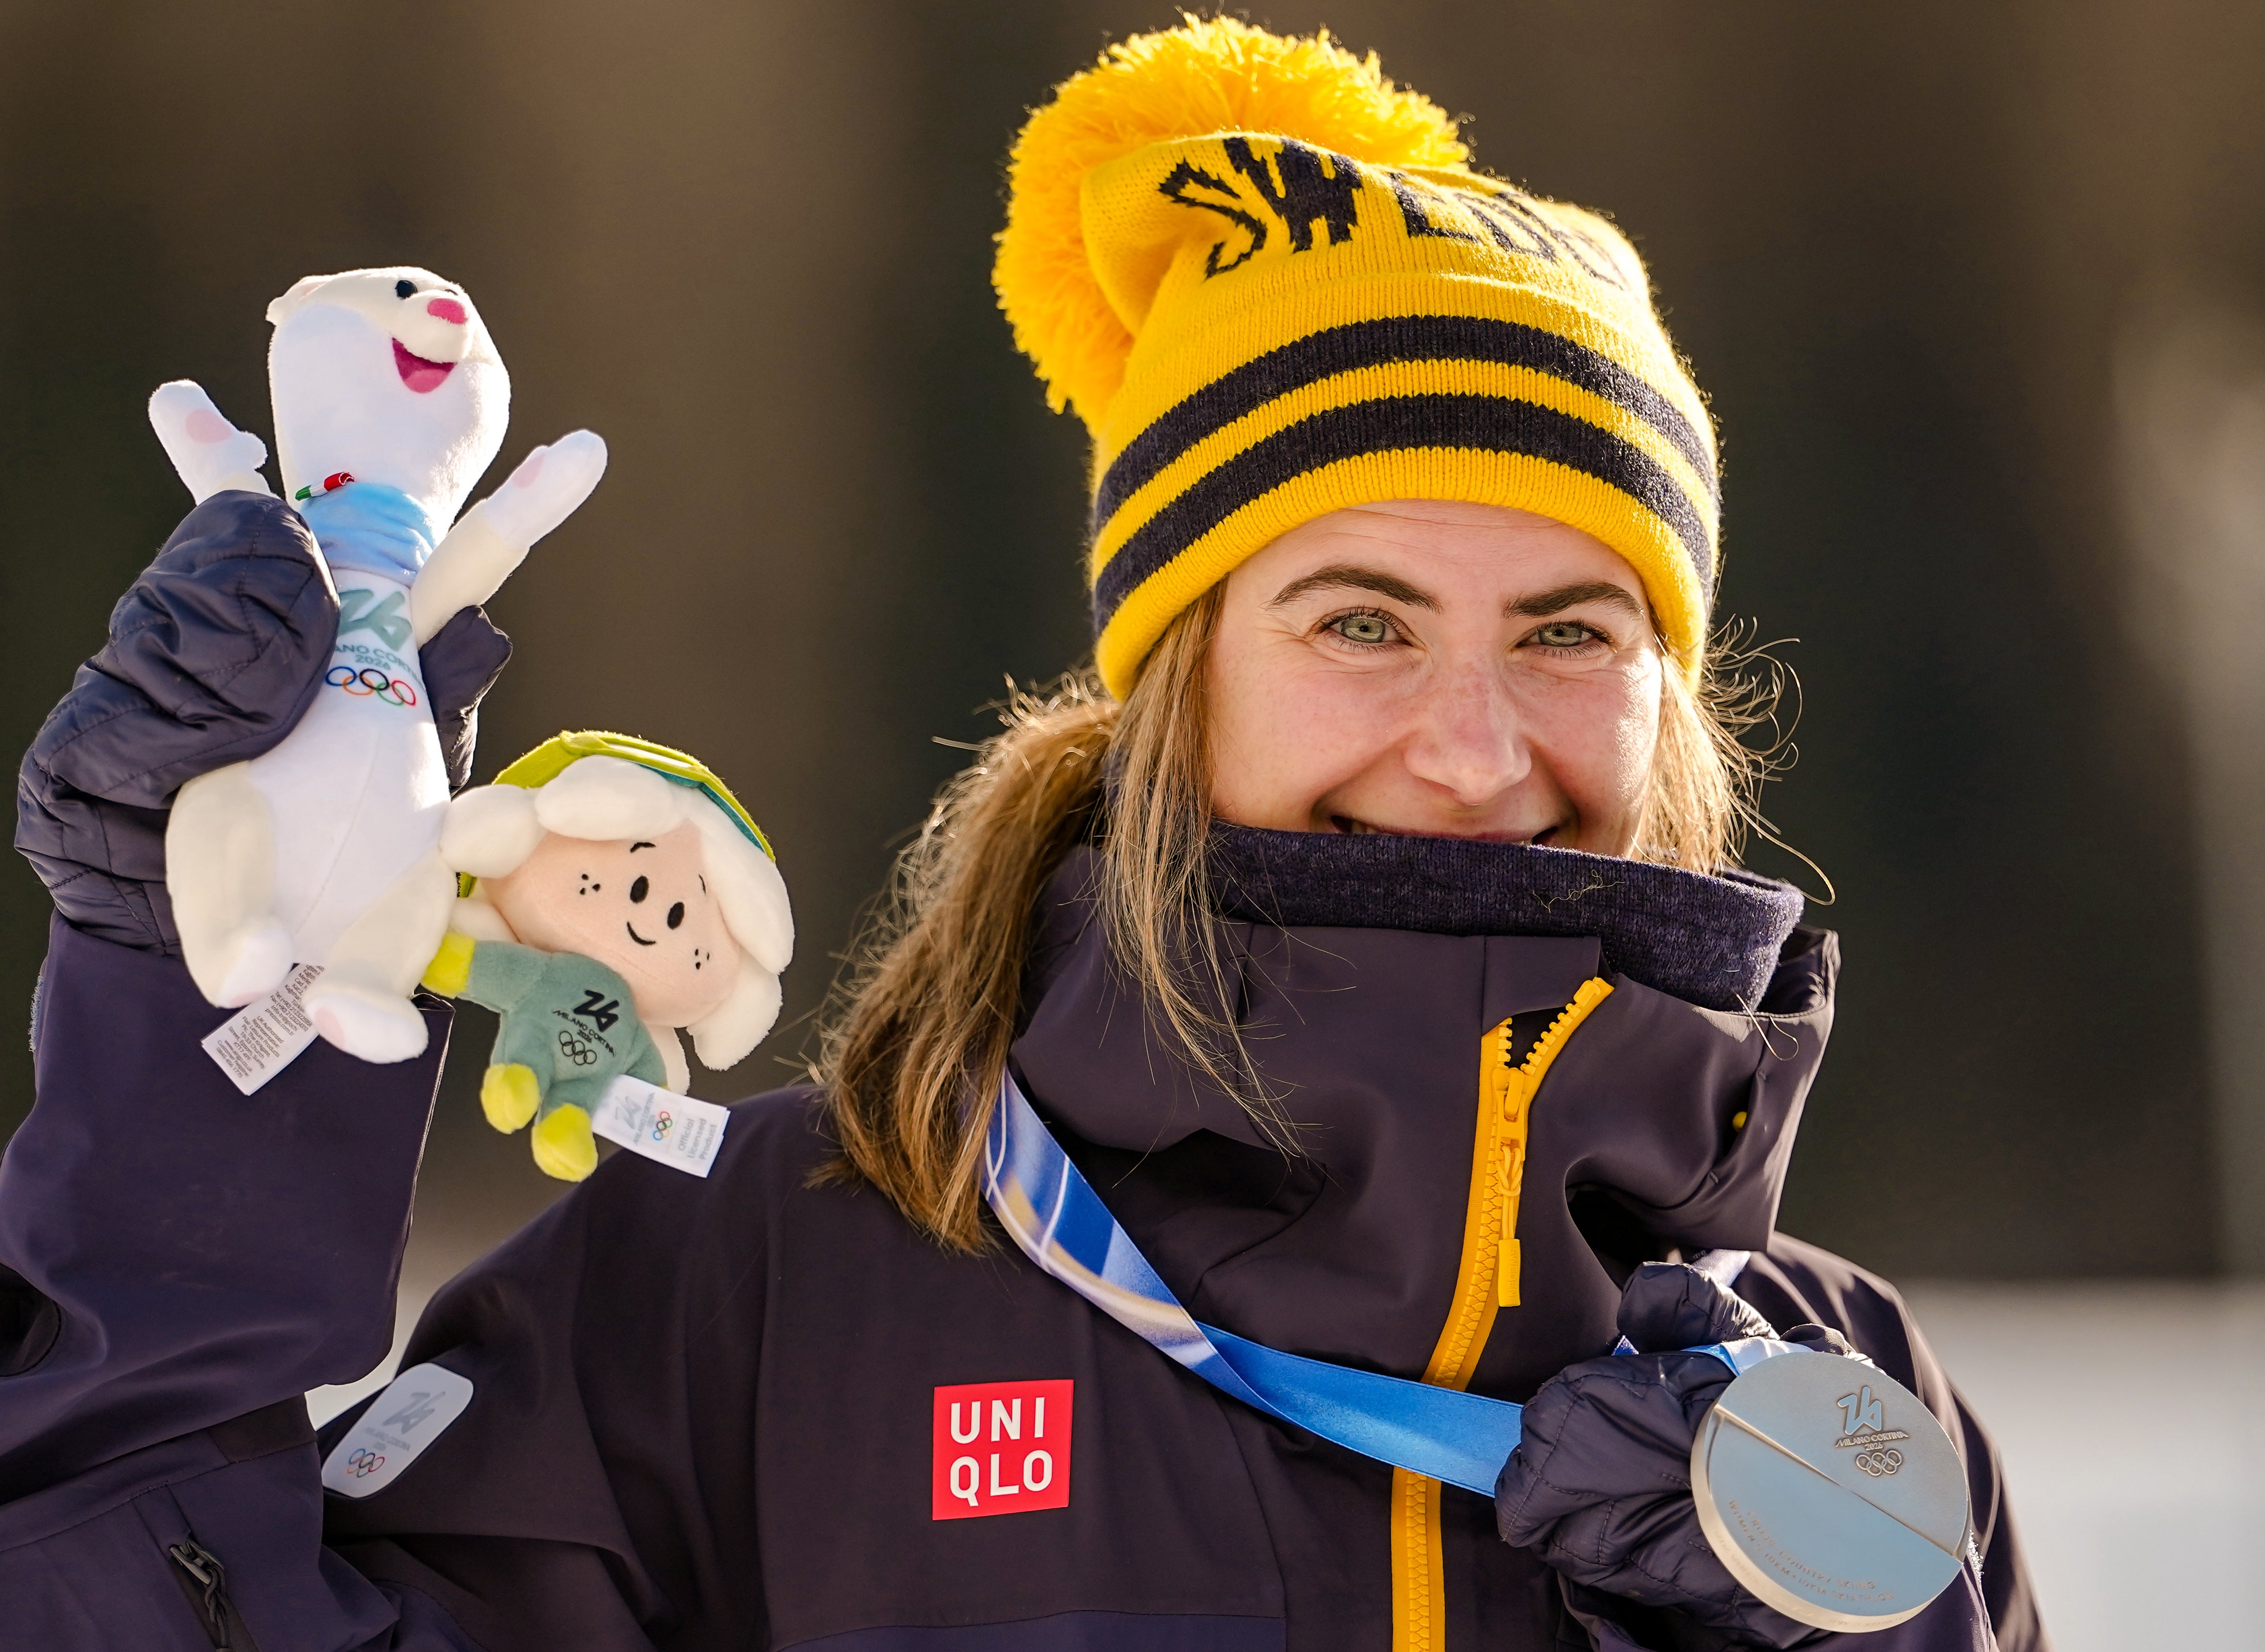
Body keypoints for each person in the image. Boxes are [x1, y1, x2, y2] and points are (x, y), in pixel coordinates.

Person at [0, 19, 2048, 1652]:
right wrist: (211, 1047)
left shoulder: (1828, 1423)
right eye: (1358, 618)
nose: (1467, 738)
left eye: (1570, 627)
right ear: (1173, 684)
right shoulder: (757, 1285)